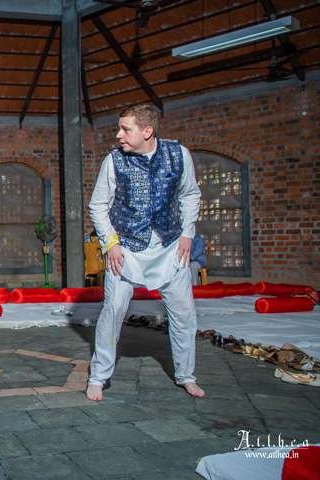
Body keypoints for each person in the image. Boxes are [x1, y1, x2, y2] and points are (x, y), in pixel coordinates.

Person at [87, 104, 204, 401]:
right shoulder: (113, 161)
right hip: (125, 249)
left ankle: (186, 376)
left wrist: (187, 232)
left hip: (170, 246)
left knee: (184, 314)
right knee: (113, 311)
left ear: (147, 131)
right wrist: (111, 244)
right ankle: (98, 377)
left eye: (125, 129)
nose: (118, 135)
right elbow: (98, 206)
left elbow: (190, 194)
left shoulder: (179, 155)